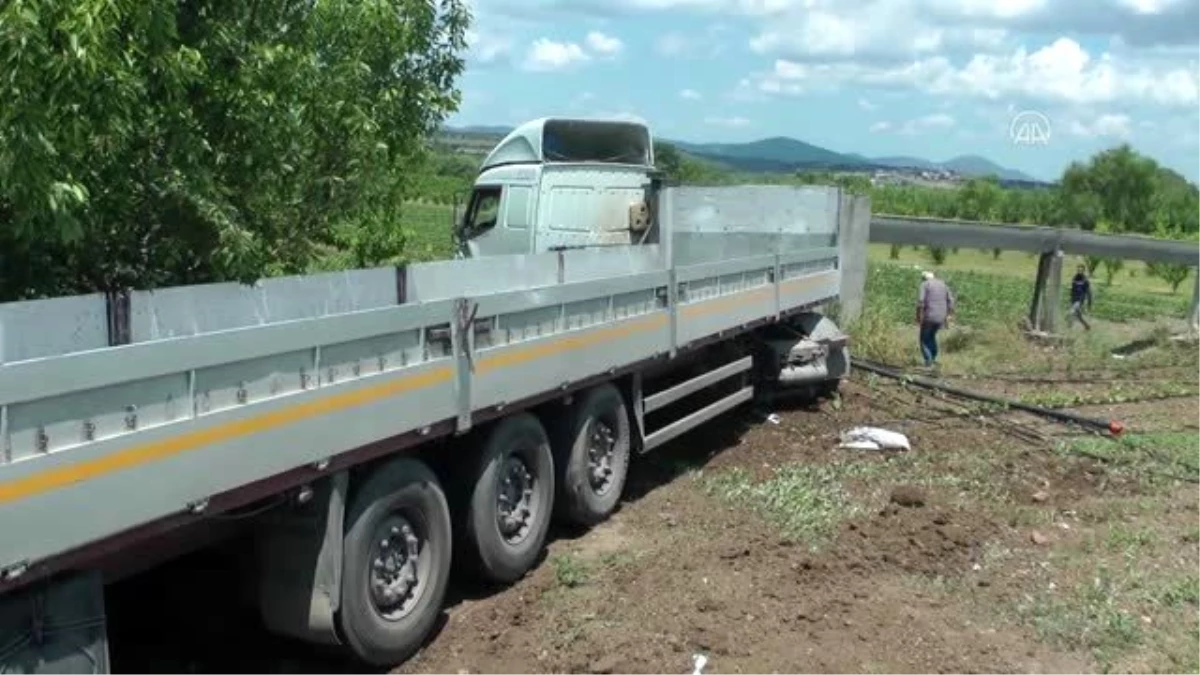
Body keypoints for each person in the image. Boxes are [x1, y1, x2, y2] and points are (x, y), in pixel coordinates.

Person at [916, 270, 955, 369]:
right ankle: (933, 359)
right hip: (941, 317)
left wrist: (918, 316)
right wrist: (949, 315)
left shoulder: (925, 284)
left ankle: (929, 362)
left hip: (929, 316)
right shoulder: (943, 284)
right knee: (932, 337)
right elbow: (951, 301)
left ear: (924, 278)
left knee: (924, 339)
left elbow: (921, 301)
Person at [1068, 264, 1093, 331]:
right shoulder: (1075, 278)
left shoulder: (1085, 280)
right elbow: (1072, 290)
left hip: (1080, 300)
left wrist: (1089, 303)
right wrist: (1070, 298)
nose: (1079, 271)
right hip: (1074, 299)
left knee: (1071, 313)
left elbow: (1089, 293)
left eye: (1081, 270)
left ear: (1083, 271)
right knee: (1078, 316)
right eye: (1078, 269)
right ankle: (1087, 326)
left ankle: (1069, 329)